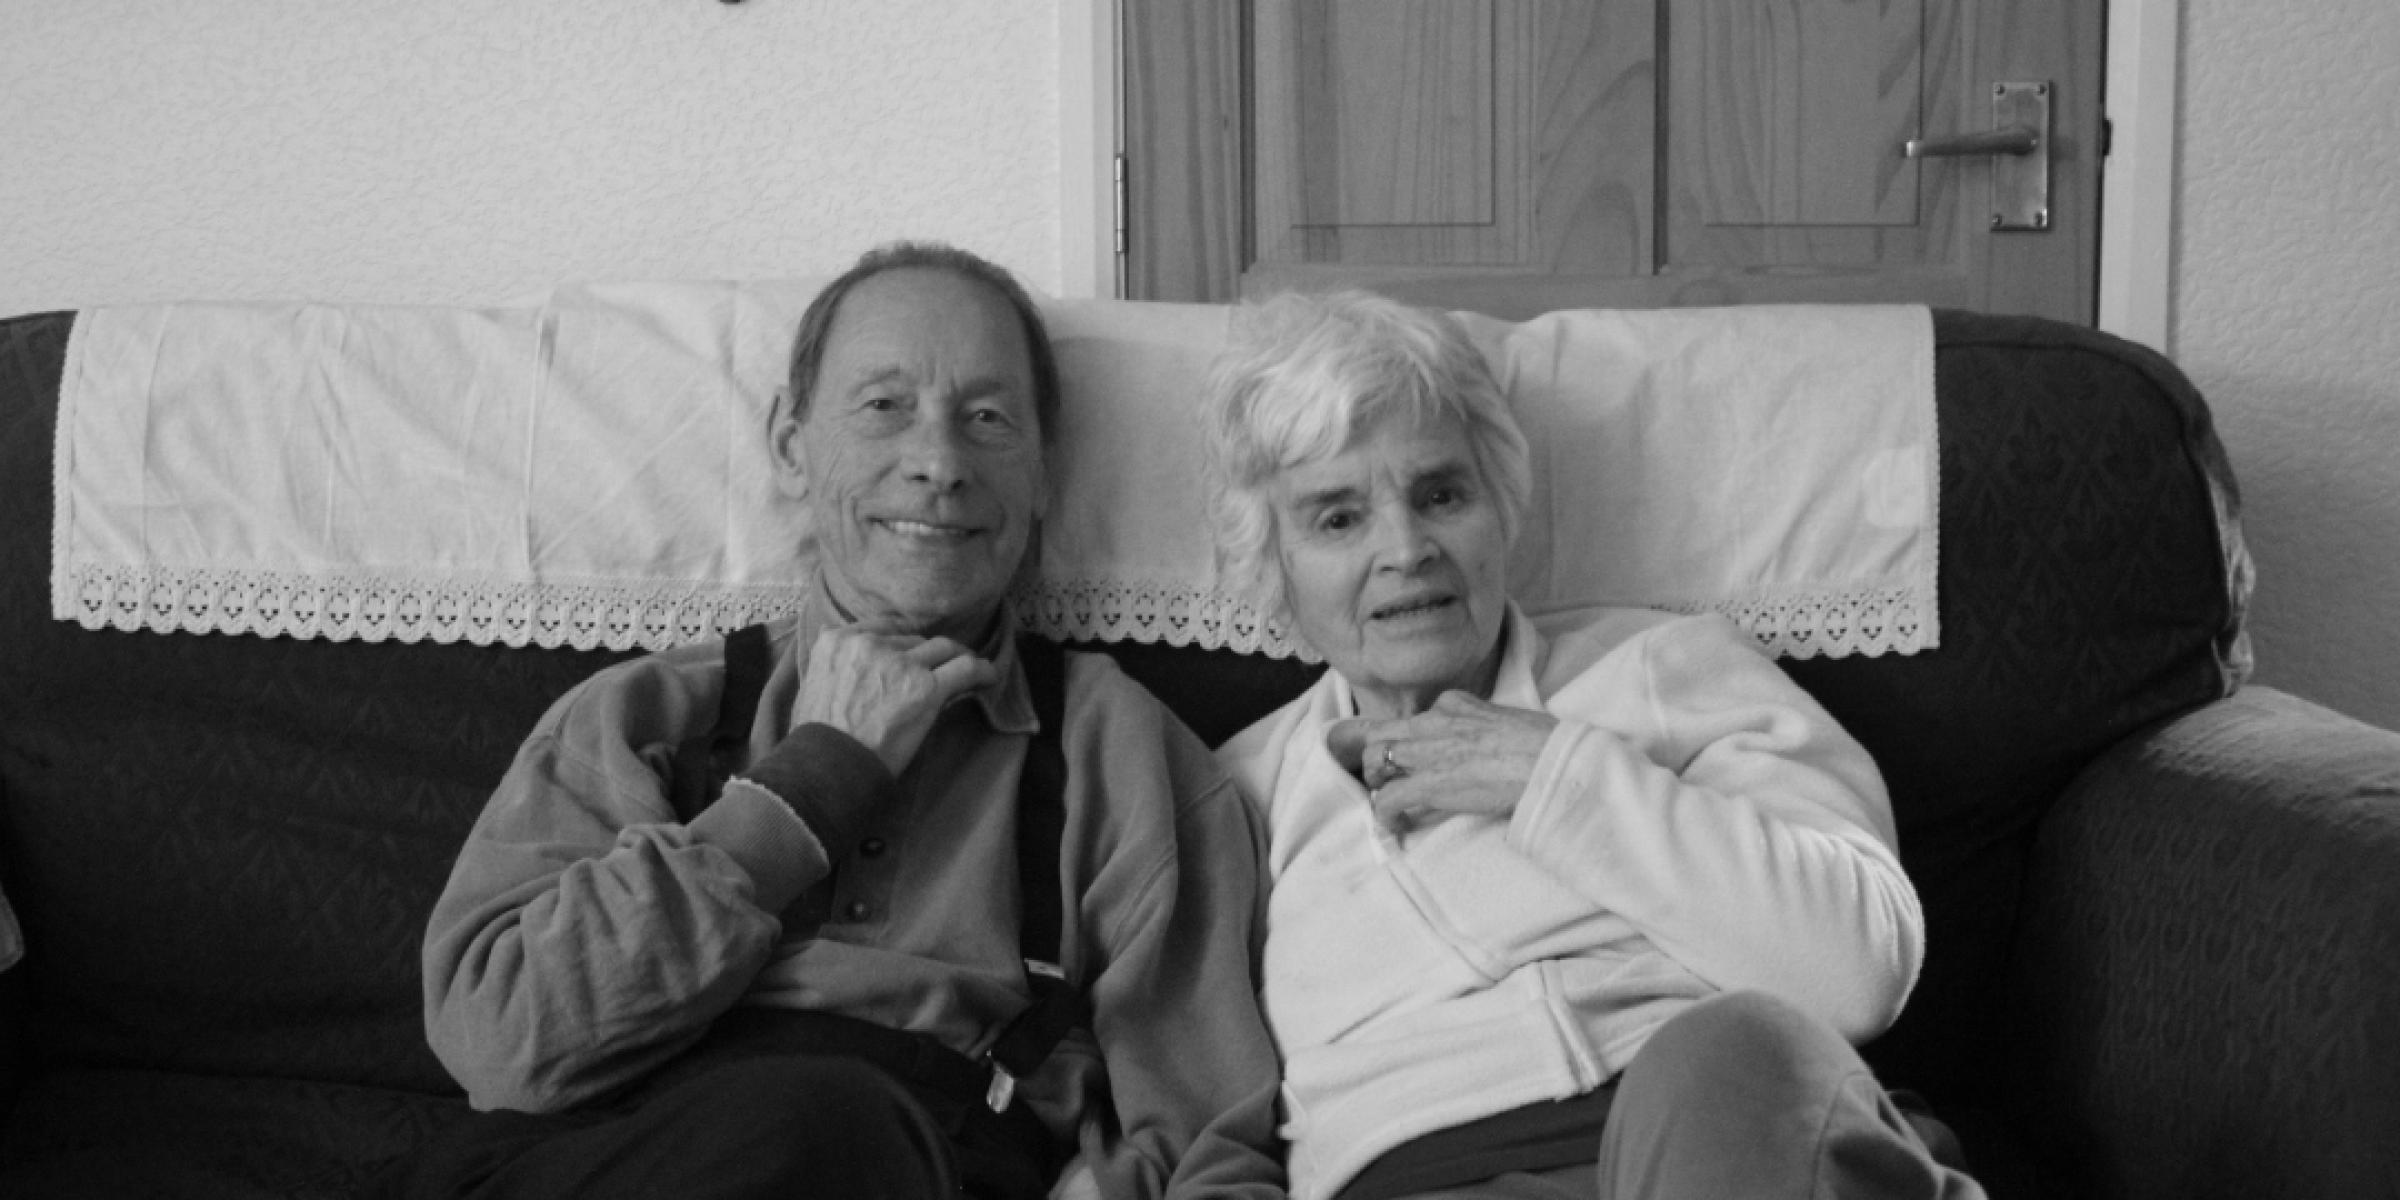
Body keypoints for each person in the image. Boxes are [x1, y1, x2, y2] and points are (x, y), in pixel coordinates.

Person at [380, 243, 1287, 1200]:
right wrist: (812, 780)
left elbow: (1203, 1143)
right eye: (884, 406)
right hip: (612, 1158)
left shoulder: (1129, 758)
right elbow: (502, 1046)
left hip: (925, 1160)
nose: (939, 463)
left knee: (830, 1131)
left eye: (988, 419)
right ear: (790, 445)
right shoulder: (640, 717)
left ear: (1044, 477)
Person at [1199, 290, 1983, 1200]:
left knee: (1728, 1055)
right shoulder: (1236, 797)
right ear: (1271, 564)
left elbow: (1859, 967)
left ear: (1501, 508)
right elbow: (1186, 1094)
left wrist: (1556, 776)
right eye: (1338, 518)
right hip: (1416, 1176)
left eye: (1441, 493)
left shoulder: (1663, 669)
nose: (1406, 549)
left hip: (1724, 1142)